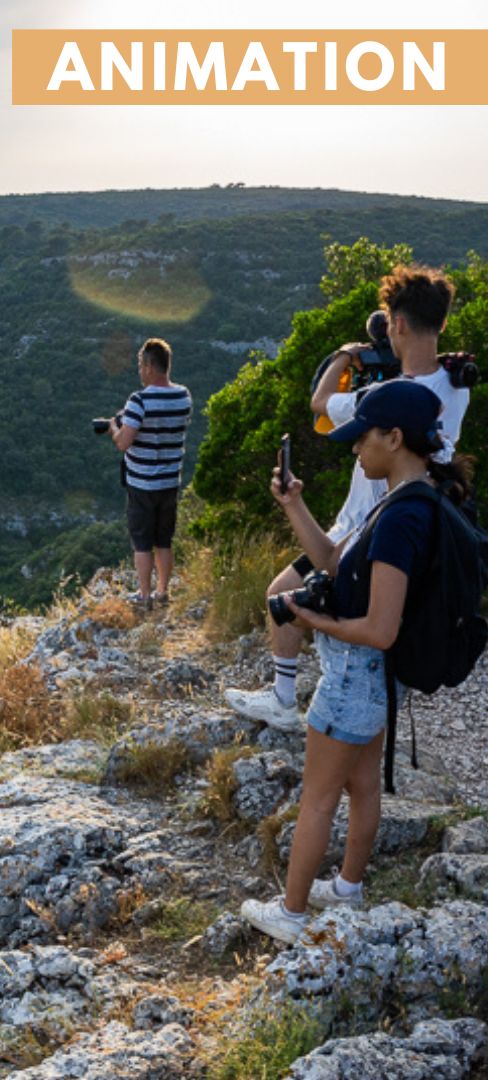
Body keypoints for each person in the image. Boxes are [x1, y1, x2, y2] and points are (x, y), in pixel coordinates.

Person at [240, 378, 472, 943]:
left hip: (355, 676)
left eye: (362, 437)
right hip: (378, 681)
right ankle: (347, 888)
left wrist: (309, 619)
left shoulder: (399, 520)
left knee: (316, 798)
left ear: (394, 438)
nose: (354, 449)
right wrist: (293, 503)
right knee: (363, 783)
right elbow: (332, 560)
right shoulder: (410, 499)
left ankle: (292, 915)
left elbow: (380, 628)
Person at [225, 265, 469, 730]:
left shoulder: (382, 397)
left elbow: (319, 403)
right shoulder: (457, 387)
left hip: (364, 527)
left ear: (397, 324)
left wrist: (347, 355)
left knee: (284, 597)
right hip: (407, 524)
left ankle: (288, 699)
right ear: (440, 323)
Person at [109, 338, 192, 608]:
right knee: (164, 540)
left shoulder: (138, 400)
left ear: (148, 366)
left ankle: (144, 596)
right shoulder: (183, 395)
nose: (138, 371)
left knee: (142, 542)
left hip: (143, 483)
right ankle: (163, 591)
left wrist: (114, 426)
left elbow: (123, 443)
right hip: (170, 481)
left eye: (139, 365)